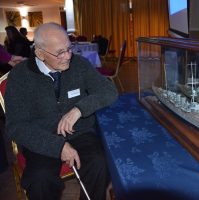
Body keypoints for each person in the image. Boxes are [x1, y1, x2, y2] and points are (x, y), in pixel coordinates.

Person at [5, 22, 118, 200]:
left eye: (69, 48)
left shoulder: (79, 64)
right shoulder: (19, 77)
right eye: (59, 52)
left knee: (101, 163)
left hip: (79, 132)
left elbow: (108, 91)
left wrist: (79, 109)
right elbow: (16, 126)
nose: (67, 56)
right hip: (41, 137)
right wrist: (57, 146)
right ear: (40, 53)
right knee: (40, 179)